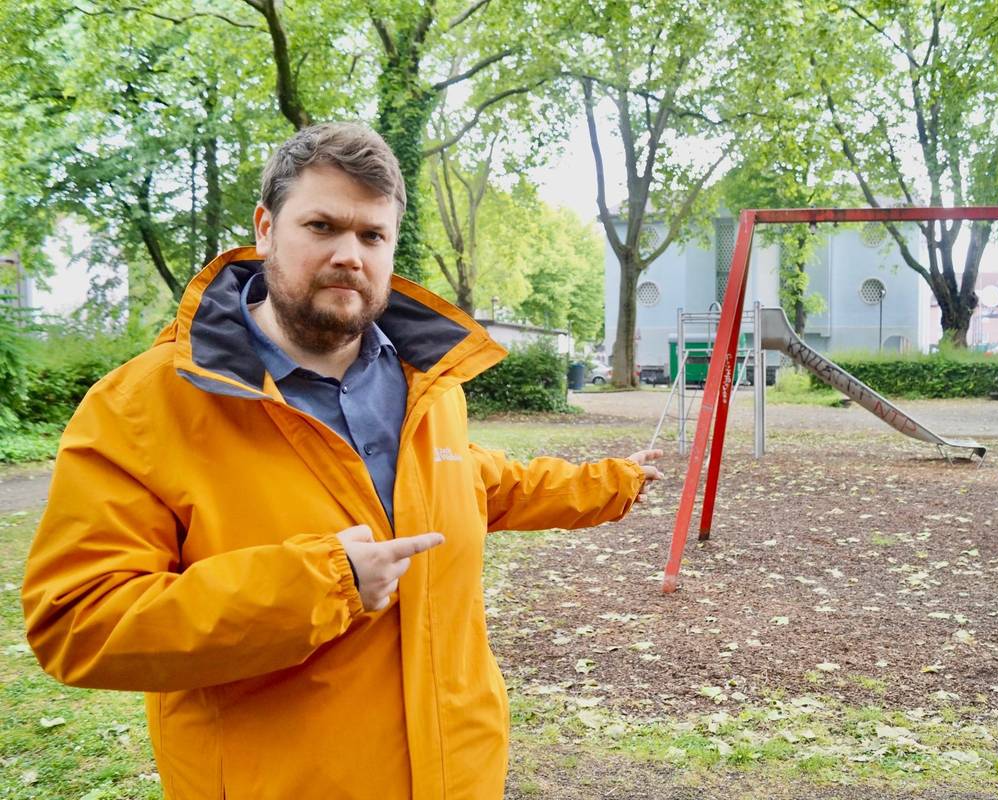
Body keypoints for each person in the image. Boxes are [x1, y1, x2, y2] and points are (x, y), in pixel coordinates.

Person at [22, 122, 662, 799]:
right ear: (266, 228)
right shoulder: (143, 405)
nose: (349, 255)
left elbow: (474, 481)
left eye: (371, 235)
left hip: (458, 775)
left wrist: (612, 483)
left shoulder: (428, 380)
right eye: (322, 226)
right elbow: (77, 619)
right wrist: (318, 585)